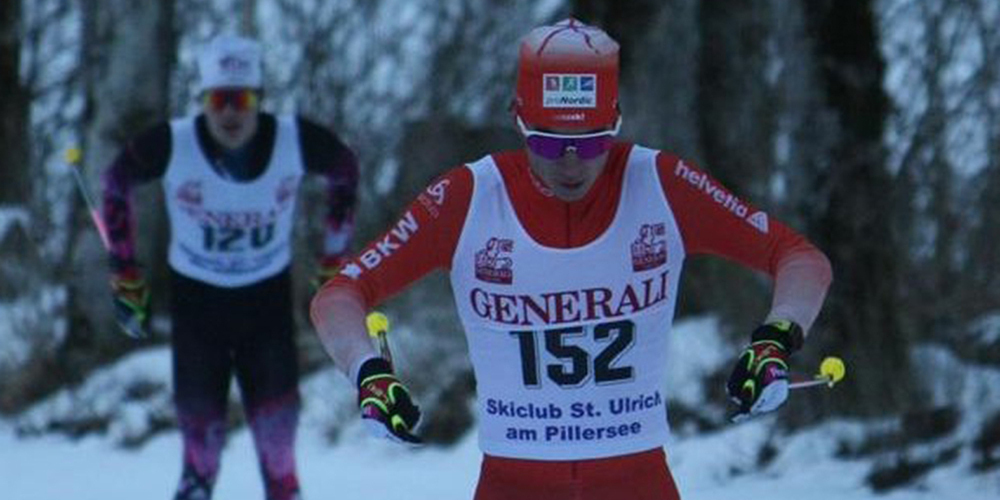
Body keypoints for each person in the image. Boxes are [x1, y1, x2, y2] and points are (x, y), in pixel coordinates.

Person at [310, 18, 832, 500]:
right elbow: (340, 294)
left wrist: (775, 339)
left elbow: (798, 257)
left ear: (616, 122)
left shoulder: (661, 185)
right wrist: (369, 372)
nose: (570, 163)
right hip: (513, 484)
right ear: (518, 121)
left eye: (590, 142)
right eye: (549, 140)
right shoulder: (468, 197)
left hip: (637, 482)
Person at [102, 34, 359, 500]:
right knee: (200, 457)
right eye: (218, 99)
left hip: (266, 305)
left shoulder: (292, 138)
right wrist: (126, 275)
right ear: (203, 101)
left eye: (241, 99)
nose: (229, 113)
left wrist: (332, 263)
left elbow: (345, 168)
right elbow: (115, 181)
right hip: (198, 306)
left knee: (279, 459)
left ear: (259, 100)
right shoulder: (173, 141)